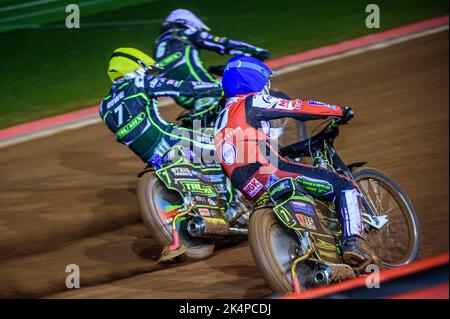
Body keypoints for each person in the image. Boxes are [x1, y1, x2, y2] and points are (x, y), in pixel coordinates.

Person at [214, 56, 382, 271]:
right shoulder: (252, 101)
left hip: (248, 186)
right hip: (270, 171)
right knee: (343, 186)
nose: (267, 86)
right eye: (265, 81)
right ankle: (354, 243)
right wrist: (338, 111)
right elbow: (297, 108)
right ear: (252, 78)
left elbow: (244, 152)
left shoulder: (221, 118)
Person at [99, 47, 223, 167]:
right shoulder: (140, 83)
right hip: (173, 141)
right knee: (227, 149)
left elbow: (123, 137)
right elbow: (182, 87)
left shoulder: (103, 106)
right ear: (135, 68)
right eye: (147, 71)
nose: (149, 75)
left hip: (153, 159)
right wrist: (221, 88)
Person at [153, 9, 270, 123]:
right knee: (247, 90)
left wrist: (212, 70)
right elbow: (223, 44)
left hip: (185, 99)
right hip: (207, 89)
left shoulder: (158, 46)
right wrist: (256, 51)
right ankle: (265, 131)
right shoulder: (185, 33)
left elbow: (177, 69)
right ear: (187, 22)